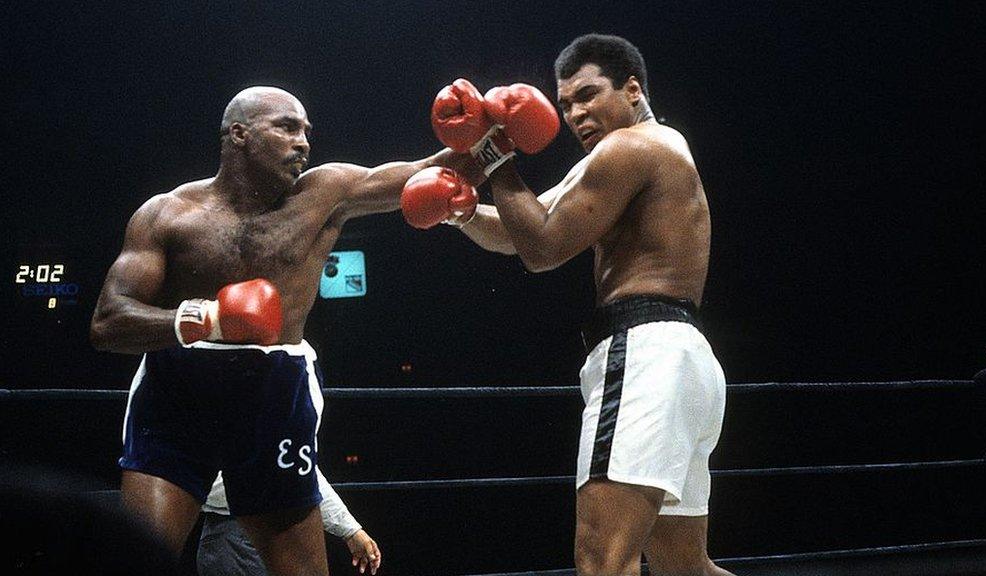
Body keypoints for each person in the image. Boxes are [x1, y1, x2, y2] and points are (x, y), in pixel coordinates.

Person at [90, 86, 474, 576]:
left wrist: (492, 138)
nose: (303, 142)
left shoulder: (326, 194)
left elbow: (435, 174)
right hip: (179, 391)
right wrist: (208, 319)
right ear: (239, 135)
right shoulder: (167, 214)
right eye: (287, 128)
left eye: (307, 131)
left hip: (272, 392)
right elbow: (108, 322)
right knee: (138, 561)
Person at [408, 34, 733, 576]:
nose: (576, 114)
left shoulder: (629, 149)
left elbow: (542, 249)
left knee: (601, 560)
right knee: (685, 568)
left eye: (588, 95)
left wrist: (490, 151)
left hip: (644, 354)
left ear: (633, 90)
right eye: (566, 104)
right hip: (683, 359)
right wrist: (459, 212)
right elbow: (522, 229)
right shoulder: (643, 151)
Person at [197, 470, 380, 576]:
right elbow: (201, 479)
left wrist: (350, 530)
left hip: (287, 531)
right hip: (235, 534)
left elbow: (304, 473)